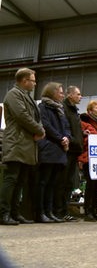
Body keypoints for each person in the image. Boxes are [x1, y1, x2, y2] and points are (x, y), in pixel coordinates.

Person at [0, 68, 45, 225]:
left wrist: (39, 129)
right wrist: (39, 130)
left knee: (20, 181)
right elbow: (22, 116)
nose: (35, 83)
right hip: (16, 142)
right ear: (24, 81)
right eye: (33, 80)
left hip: (26, 144)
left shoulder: (26, 96)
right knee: (11, 179)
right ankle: (3, 214)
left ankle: (14, 212)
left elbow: (35, 117)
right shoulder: (13, 94)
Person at [36, 82, 71, 223]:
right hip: (48, 148)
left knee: (52, 183)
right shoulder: (42, 107)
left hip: (59, 150)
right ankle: (40, 212)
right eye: (60, 92)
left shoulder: (60, 109)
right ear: (52, 92)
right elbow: (45, 125)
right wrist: (60, 138)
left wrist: (67, 137)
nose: (63, 95)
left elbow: (66, 126)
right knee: (43, 182)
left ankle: (49, 212)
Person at [55, 85, 83, 221]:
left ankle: (64, 210)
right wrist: (72, 140)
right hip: (67, 150)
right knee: (62, 181)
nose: (80, 96)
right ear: (70, 95)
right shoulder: (64, 108)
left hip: (74, 150)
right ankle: (59, 211)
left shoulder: (74, 110)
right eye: (78, 94)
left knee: (68, 183)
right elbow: (65, 128)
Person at [78, 100, 97, 222]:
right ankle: (88, 210)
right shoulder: (83, 122)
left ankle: (95, 210)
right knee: (90, 185)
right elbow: (80, 139)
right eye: (96, 107)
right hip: (88, 158)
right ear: (90, 110)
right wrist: (85, 136)